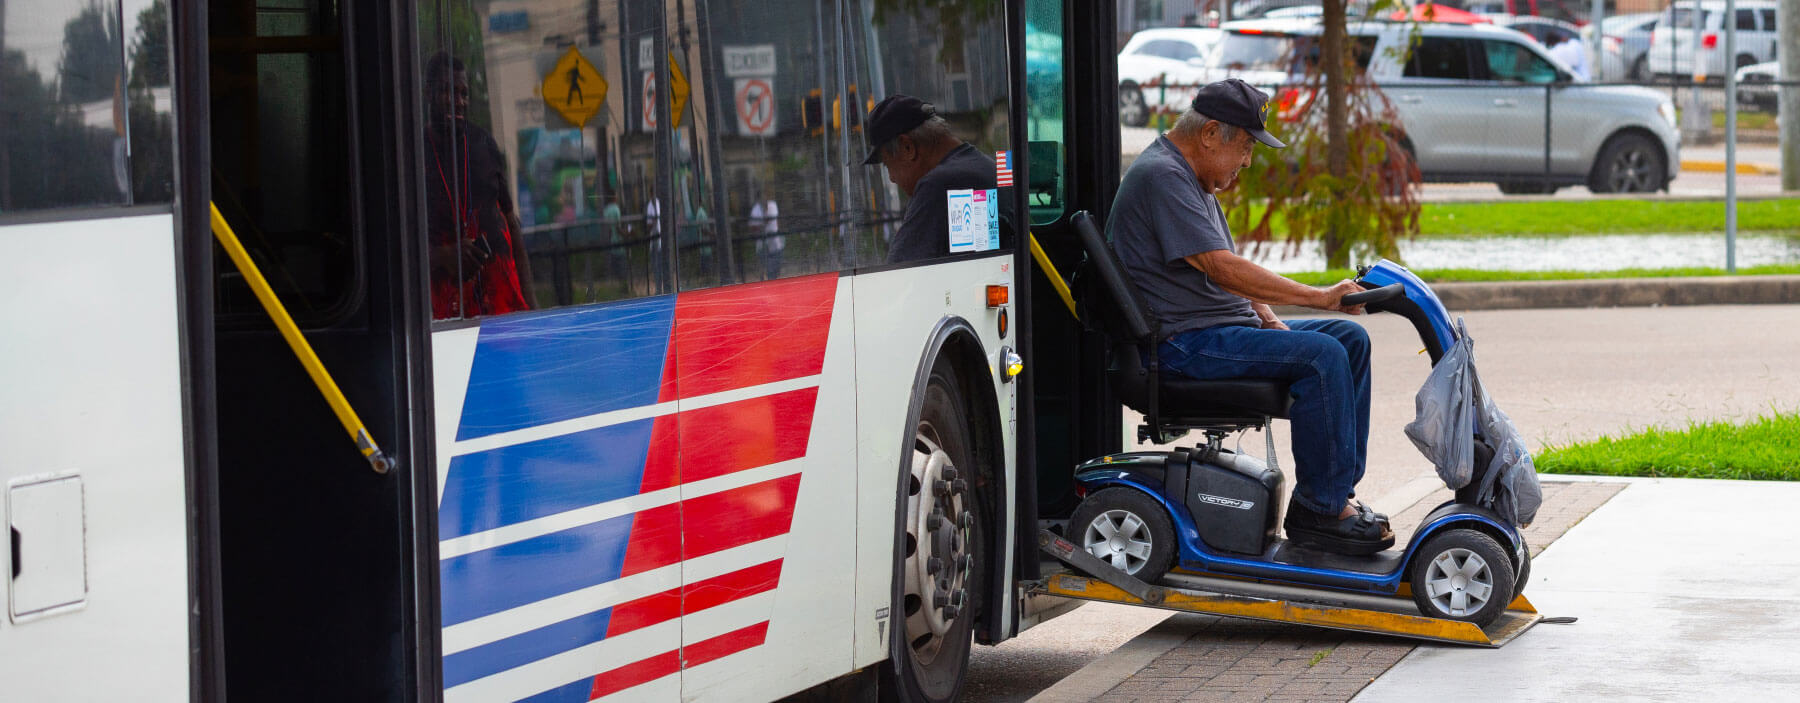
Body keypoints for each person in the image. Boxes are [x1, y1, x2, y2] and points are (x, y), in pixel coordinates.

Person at [1107, 79, 1393, 555]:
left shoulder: (1192, 178)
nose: (1247, 161)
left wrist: (1266, 316)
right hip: (1182, 343)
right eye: (1244, 147)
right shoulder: (1163, 177)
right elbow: (1219, 266)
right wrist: (1318, 297)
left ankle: (1334, 495)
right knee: (1322, 354)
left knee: (1347, 339)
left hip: (1217, 329)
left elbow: (1226, 272)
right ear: (1210, 134)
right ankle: (1321, 511)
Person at [424, 52, 536, 319]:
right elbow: (399, 253)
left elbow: (511, 225)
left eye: (463, 93)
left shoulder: (483, 143)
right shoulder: (413, 153)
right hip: (447, 314)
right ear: (428, 93)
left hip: (502, 305)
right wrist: (445, 256)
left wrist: (533, 310)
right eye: (447, 92)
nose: (458, 102)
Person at [862, 94, 997, 264]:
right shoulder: (987, 167)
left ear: (907, 147)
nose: (892, 178)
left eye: (888, 165)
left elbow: (896, 276)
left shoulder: (937, 187)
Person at [749, 189, 783, 280]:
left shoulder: (773, 205)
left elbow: (776, 220)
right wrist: (763, 224)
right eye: (762, 197)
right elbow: (752, 227)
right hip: (762, 245)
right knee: (765, 268)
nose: (764, 199)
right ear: (758, 199)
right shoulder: (756, 209)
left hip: (775, 243)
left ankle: (774, 280)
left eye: (765, 196)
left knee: (775, 268)